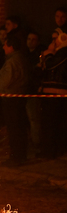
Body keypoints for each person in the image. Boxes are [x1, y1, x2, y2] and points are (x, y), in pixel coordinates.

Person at [0, 33, 30, 166]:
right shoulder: (20, 58)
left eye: (5, 45)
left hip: (11, 98)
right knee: (19, 128)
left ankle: (16, 158)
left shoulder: (12, 62)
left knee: (14, 129)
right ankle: (20, 156)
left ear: (11, 46)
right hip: (18, 97)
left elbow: (4, 82)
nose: (3, 47)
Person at [38, 29, 67, 159]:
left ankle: (50, 151)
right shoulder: (59, 53)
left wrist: (48, 53)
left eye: (56, 39)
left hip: (55, 93)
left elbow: (50, 65)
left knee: (51, 124)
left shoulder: (63, 53)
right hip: (52, 92)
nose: (53, 42)